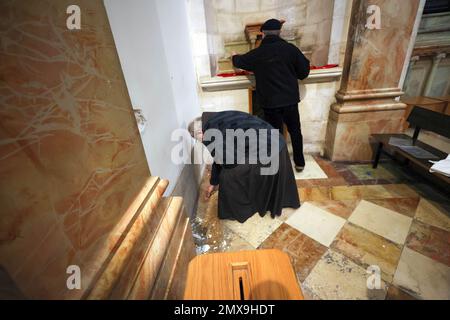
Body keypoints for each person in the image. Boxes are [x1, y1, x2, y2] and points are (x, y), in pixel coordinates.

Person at [188, 111, 300, 223]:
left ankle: (240, 208)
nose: (201, 142)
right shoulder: (214, 119)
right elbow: (219, 157)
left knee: (228, 176)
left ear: (199, 132)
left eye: (197, 139)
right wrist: (213, 182)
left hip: (271, 151)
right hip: (278, 142)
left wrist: (219, 176)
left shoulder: (209, 133)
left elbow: (228, 161)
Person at [232, 18, 310, 172]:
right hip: (290, 101)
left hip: (270, 104)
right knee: (295, 131)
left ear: (263, 34)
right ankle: (299, 162)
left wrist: (234, 56)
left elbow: (240, 61)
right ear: (279, 32)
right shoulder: (291, 49)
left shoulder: (258, 53)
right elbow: (304, 72)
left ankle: (279, 165)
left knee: (275, 135)